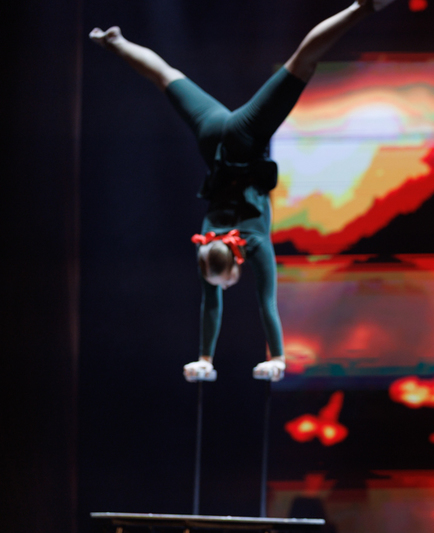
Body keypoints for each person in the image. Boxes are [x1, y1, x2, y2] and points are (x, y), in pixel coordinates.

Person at [89, 0, 395, 383]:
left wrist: (278, 358)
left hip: (243, 138)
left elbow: (265, 303)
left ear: (235, 266)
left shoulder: (253, 244)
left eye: (226, 281)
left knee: (301, 64)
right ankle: (116, 42)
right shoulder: (207, 245)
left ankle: (363, 6)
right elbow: (211, 302)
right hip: (212, 136)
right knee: (167, 77)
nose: (226, 286)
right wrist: (204, 359)